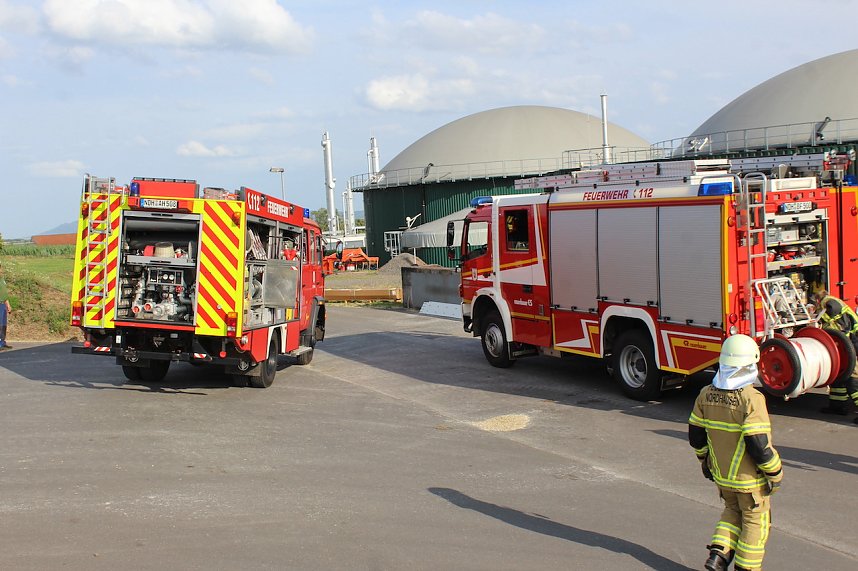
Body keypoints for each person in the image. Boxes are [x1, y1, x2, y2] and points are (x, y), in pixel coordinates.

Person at [688, 334, 783, 571]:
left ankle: (717, 557)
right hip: (749, 480)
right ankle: (745, 567)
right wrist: (775, 473)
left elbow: (696, 435)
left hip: (722, 475)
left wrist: (704, 461)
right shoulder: (752, 398)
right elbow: (758, 445)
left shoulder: (704, 394)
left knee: (732, 511)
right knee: (756, 521)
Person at [813, 289, 858, 423]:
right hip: (849, 342)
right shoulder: (833, 301)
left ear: (817, 300)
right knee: (839, 374)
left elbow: (838, 327)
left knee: (852, 377)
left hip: (852, 343)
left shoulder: (828, 304)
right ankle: (837, 406)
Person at [0, 261, 11, 350]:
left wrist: (7, 304)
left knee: (3, 325)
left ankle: (2, 342)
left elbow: (4, 293)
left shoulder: (2, 279)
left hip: (3, 304)